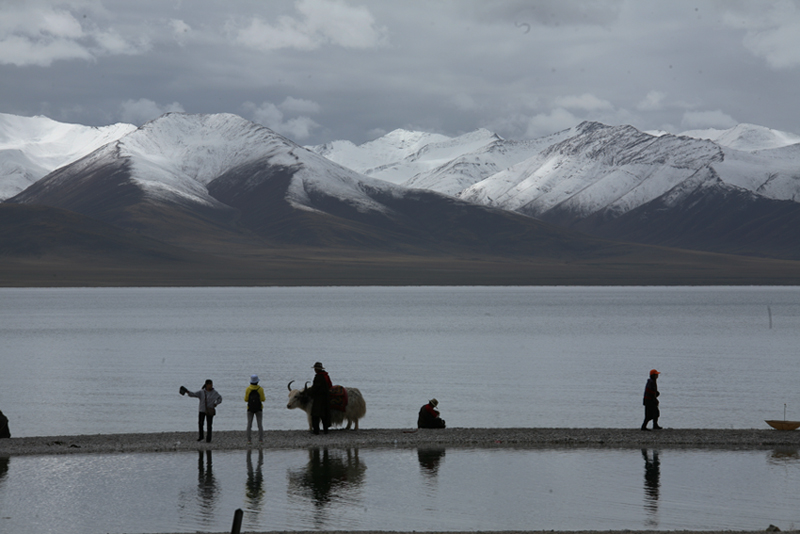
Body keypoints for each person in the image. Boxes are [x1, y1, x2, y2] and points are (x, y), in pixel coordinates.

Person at [309, 362, 332, 434]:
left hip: (319, 398)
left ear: (316, 369)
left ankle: (316, 431)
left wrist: (309, 392)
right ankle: (326, 430)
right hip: (326, 397)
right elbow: (330, 385)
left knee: (315, 415)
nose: (315, 370)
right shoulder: (326, 375)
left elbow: (315, 388)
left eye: (315, 369)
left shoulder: (318, 377)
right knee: (325, 414)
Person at [245, 374, 266, 443]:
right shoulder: (260, 389)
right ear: (257, 381)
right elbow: (263, 399)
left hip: (250, 408)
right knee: (260, 424)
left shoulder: (248, 389)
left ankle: (249, 440)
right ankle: (260, 439)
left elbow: (246, 399)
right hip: (259, 408)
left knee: (249, 424)